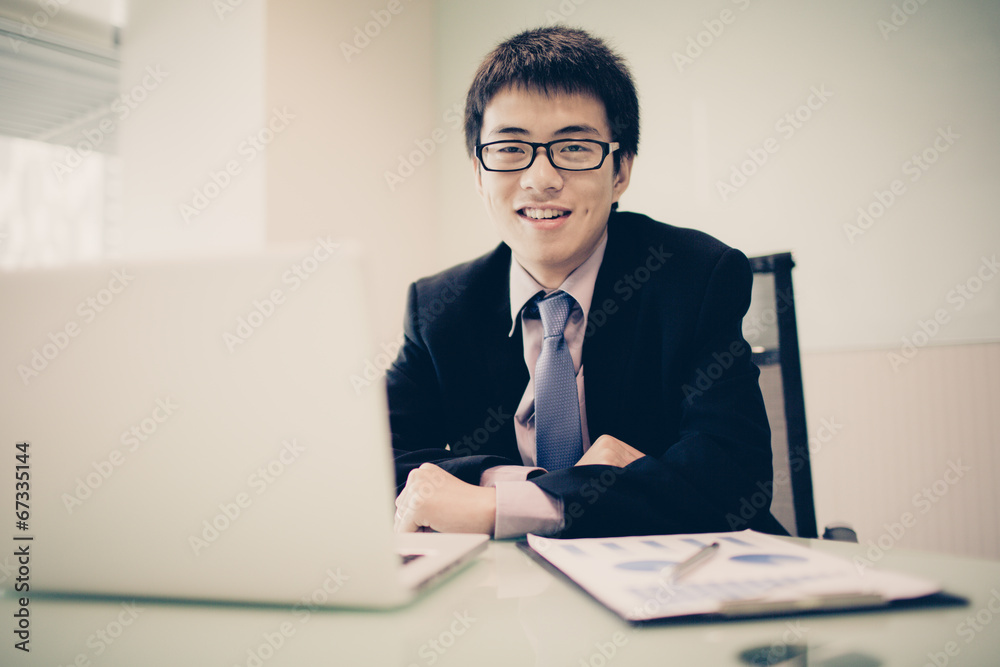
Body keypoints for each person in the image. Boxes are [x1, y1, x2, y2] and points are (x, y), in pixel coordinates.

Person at [388, 25, 785, 539]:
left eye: (574, 147)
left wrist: (497, 507)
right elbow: (373, 462)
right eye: (510, 148)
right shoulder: (439, 308)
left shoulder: (695, 277)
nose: (541, 179)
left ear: (620, 171)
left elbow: (732, 477)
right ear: (479, 173)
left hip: (680, 576)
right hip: (509, 585)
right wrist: (524, 487)